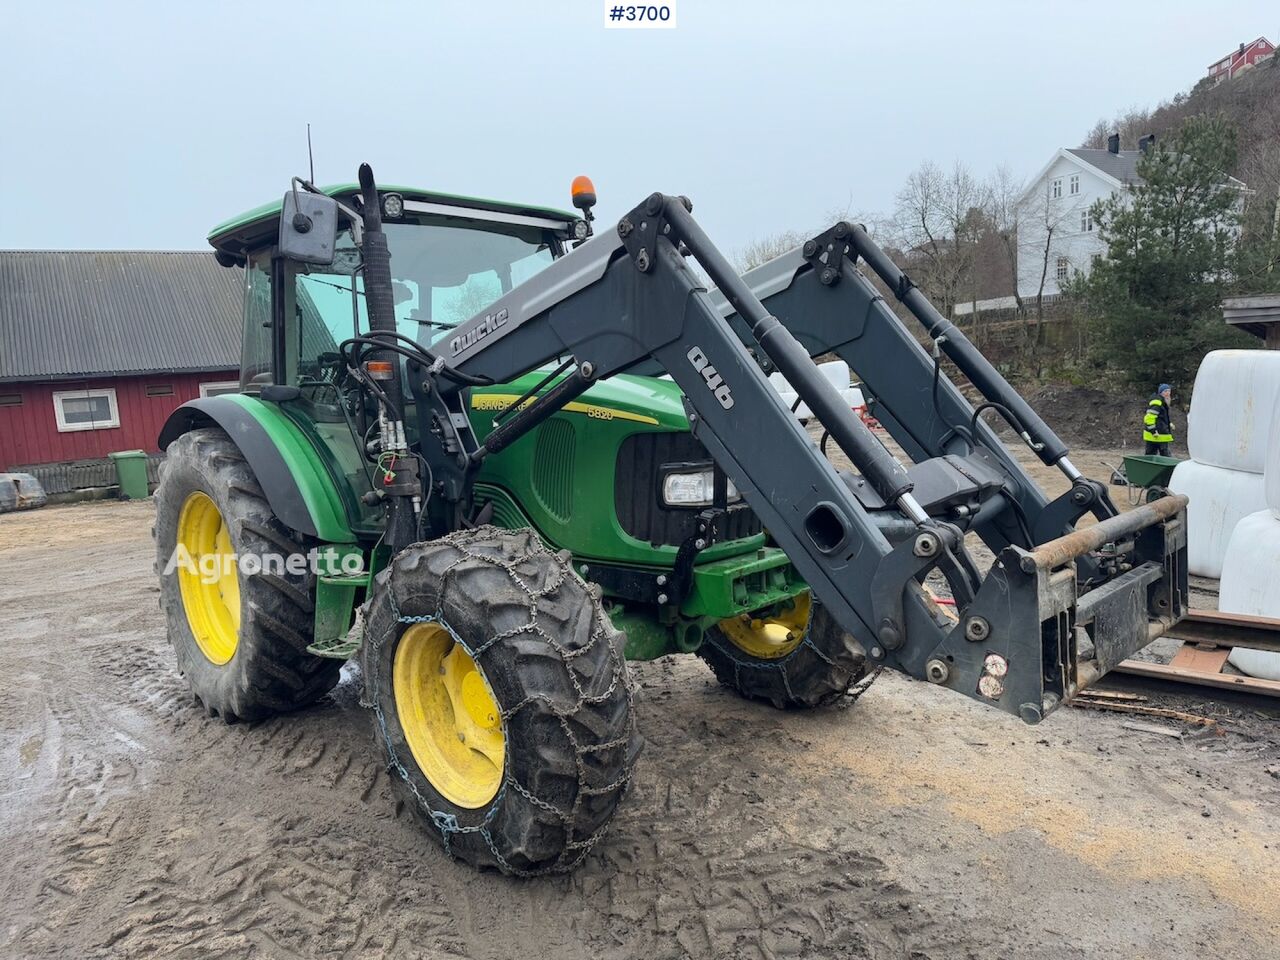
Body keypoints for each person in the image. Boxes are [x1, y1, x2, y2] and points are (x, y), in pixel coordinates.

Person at [1143, 383, 1174, 455]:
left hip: (1160, 435)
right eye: (1165, 391)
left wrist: (1169, 424)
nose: (1168, 393)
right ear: (1161, 393)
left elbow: (1161, 417)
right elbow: (1149, 418)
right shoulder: (1157, 403)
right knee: (1162, 457)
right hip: (1156, 435)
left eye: (1169, 391)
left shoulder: (1163, 403)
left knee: (1152, 456)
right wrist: (1153, 431)